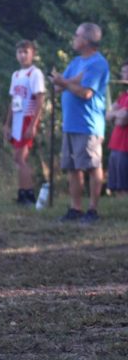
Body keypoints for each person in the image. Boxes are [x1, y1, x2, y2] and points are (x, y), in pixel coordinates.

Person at [51, 22, 110, 223]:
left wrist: (66, 82)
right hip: (70, 123)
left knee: (92, 166)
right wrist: (67, 81)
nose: (73, 38)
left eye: (76, 35)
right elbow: (60, 86)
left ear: (85, 40)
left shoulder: (97, 63)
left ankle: (93, 210)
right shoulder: (76, 62)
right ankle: (75, 208)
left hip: (88, 124)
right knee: (72, 167)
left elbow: (85, 93)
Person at [4, 39, 45, 205]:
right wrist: (7, 124)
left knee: (21, 158)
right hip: (17, 119)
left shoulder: (35, 73)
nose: (22, 56)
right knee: (17, 158)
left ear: (32, 54)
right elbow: (13, 99)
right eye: (19, 52)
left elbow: (40, 99)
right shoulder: (16, 75)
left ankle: (29, 195)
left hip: (27, 118)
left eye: (25, 52)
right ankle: (22, 193)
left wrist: (33, 125)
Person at [107, 61, 128, 196]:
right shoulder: (123, 96)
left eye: (126, 72)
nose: (123, 75)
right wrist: (117, 113)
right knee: (116, 186)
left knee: (125, 186)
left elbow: (122, 120)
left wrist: (117, 115)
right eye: (123, 72)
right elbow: (107, 115)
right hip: (115, 146)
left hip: (125, 148)